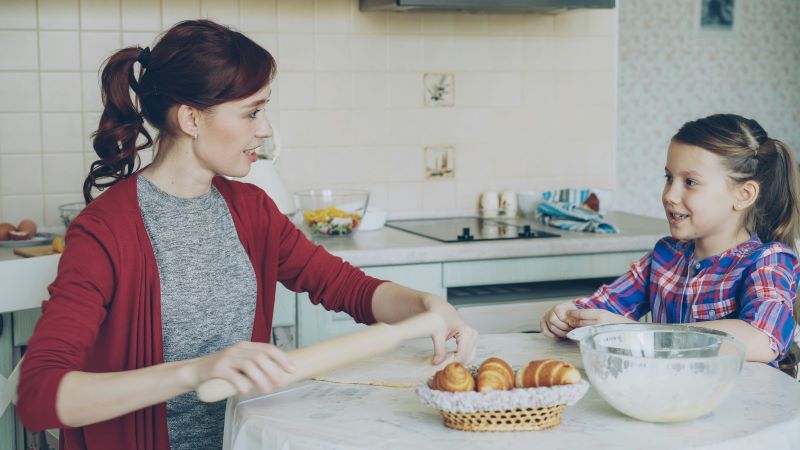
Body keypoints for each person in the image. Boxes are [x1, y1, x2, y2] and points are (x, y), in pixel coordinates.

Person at [17, 19, 478, 450]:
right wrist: (196, 372)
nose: (265, 129)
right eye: (252, 112)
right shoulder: (105, 230)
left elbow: (347, 288)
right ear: (191, 119)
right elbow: (40, 395)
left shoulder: (252, 210)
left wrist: (426, 305)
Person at [541, 114, 800, 370]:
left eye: (690, 182)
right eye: (668, 178)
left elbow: (763, 337)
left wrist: (641, 334)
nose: (670, 195)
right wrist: (569, 315)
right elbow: (604, 308)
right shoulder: (666, 256)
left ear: (744, 195)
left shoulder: (769, 260)